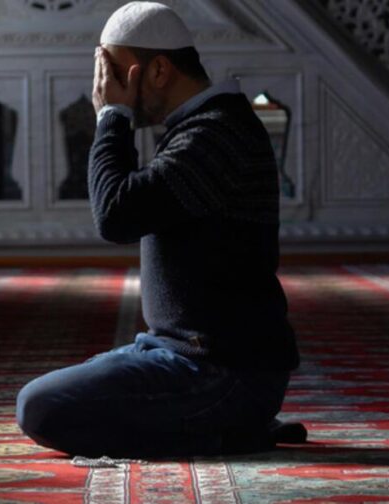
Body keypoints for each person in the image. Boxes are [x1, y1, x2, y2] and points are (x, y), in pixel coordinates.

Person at [15, 1, 301, 458]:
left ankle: (230, 435)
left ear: (160, 70)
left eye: (114, 73)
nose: (104, 88)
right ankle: (229, 431)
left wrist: (112, 117)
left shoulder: (217, 134)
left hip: (225, 372)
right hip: (178, 353)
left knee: (42, 408)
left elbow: (116, 215)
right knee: (60, 394)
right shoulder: (204, 125)